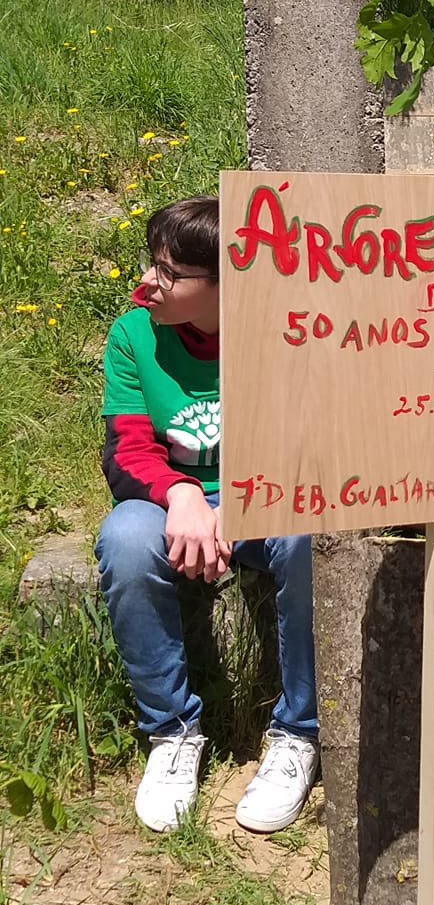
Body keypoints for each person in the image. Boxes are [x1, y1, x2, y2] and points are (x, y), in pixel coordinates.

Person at [96, 195, 319, 835]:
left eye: (168, 272)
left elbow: (304, 439)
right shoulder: (133, 335)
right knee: (125, 542)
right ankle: (171, 732)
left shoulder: (280, 332)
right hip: (170, 502)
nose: (147, 282)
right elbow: (126, 449)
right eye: (151, 263)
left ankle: (298, 732)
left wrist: (244, 497)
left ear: (226, 284)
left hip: (267, 494)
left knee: (306, 537)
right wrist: (182, 494)